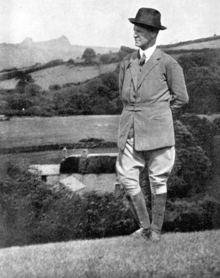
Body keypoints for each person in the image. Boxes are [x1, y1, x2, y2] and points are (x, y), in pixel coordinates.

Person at [116, 8, 189, 242]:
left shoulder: (168, 63)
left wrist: (160, 114)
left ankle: (156, 230)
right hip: (130, 129)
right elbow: (123, 93)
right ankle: (146, 227)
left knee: (158, 179)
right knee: (127, 177)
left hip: (158, 131)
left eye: (139, 31)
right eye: (134, 30)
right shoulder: (127, 62)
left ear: (153, 33)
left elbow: (181, 98)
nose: (135, 35)